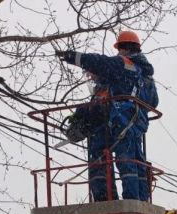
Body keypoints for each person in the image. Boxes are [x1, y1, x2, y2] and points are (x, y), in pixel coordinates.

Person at [56, 31, 155, 202]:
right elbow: (153, 102)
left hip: (121, 121)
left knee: (110, 160)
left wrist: (76, 58)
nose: (92, 77)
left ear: (123, 49)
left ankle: (119, 200)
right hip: (131, 124)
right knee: (131, 160)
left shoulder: (124, 65)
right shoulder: (144, 77)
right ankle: (136, 199)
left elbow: (100, 62)